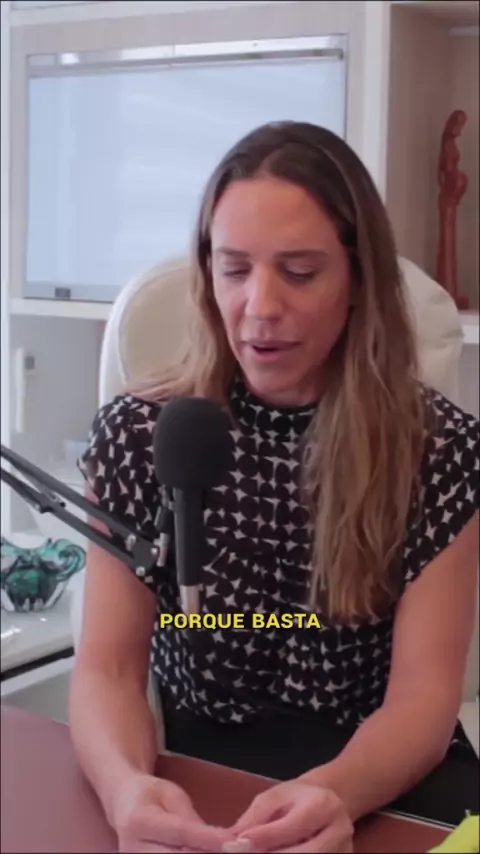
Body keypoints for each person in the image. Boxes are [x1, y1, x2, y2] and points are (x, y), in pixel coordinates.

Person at [69, 121, 479, 854]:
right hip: (208, 780)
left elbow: (423, 698)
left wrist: (336, 794)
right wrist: (125, 787)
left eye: (300, 272)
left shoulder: (439, 451)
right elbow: (108, 669)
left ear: (358, 281)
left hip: (387, 781)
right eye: (234, 270)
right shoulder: (140, 436)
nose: (259, 306)